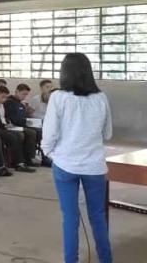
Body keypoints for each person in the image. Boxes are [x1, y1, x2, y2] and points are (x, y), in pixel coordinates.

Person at [42, 53, 112, 263]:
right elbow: (107, 134)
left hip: (65, 165)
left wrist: (49, 152)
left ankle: (71, 260)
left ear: (65, 73)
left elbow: (50, 133)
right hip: (94, 166)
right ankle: (106, 259)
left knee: (70, 218)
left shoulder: (58, 97)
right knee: (98, 216)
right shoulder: (101, 97)